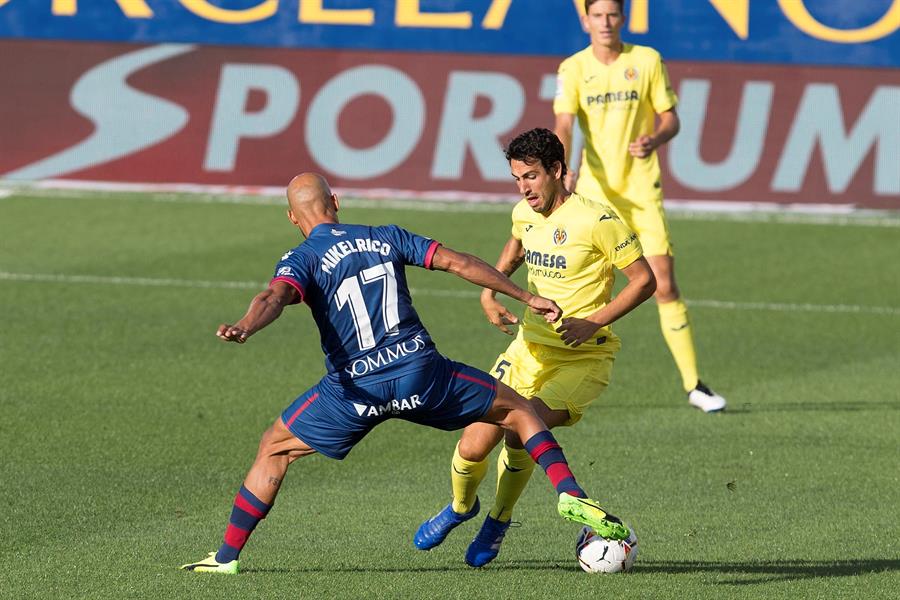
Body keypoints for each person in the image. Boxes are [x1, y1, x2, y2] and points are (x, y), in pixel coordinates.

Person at [180, 172, 629, 574]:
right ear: (336, 201)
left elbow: (272, 297)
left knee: (274, 449)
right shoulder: (384, 235)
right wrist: (524, 296)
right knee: (518, 411)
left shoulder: (301, 258)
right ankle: (568, 491)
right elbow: (459, 262)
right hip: (421, 374)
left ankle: (226, 558)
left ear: (292, 217)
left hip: (354, 391)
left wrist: (245, 325)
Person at [414, 128, 656, 568]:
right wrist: (490, 293)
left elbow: (645, 281)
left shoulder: (599, 221)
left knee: (520, 428)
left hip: (583, 357)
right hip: (527, 351)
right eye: (516, 179)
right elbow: (515, 250)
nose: (524, 188)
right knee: (472, 445)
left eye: (531, 176)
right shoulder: (524, 214)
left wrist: (592, 322)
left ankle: (499, 519)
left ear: (557, 171)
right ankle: (460, 507)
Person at [555, 0, 726, 412]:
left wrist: (655, 138)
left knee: (663, 283)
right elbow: (563, 122)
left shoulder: (646, 60)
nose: (606, 22)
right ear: (586, 21)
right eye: (598, 15)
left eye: (612, 14)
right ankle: (558, 372)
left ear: (622, 19)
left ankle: (694, 385)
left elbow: (671, 118)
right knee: (584, 288)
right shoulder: (573, 68)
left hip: (641, 192)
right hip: (596, 195)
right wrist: (561, 165)